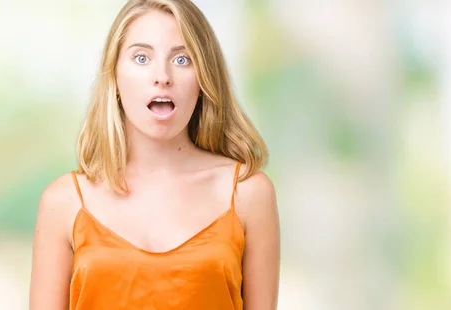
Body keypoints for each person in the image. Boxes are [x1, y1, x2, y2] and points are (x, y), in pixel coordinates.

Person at [28, 0, 280, 309]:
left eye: (182, 59)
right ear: (115, 78)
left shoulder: (248, 193)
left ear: (203, 79)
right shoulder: (62, 202)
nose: (162, 76)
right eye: (142, 57)